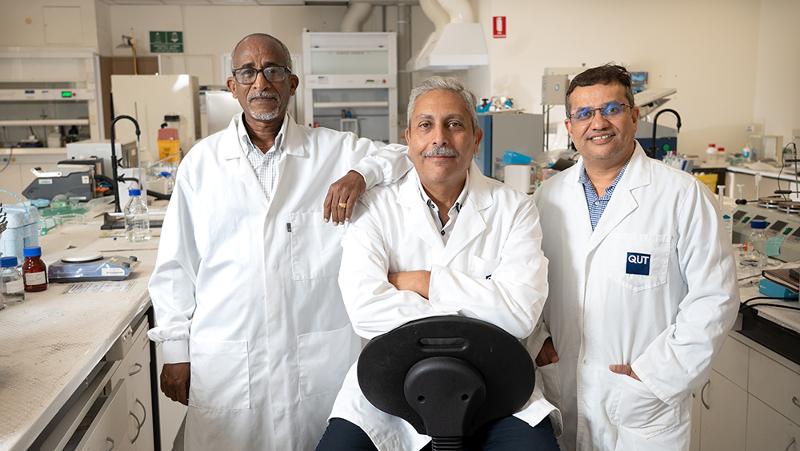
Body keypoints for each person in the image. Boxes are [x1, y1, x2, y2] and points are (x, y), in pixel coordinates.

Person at [147, 33, 410, 451]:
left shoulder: (336, 151)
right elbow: (177, 265)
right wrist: (175, 350)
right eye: (248, 72)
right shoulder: (202, 163)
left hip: (317, 352)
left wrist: (362, 175)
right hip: (230, 352)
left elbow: (405, 154)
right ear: (232, 87)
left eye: (273, 70)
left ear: (292, 83)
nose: (261, 83)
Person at [316, 76, 561, 451]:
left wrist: (424, 282)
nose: (440, 138)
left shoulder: (514, 209)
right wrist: (479, 304)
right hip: (389, 389)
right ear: (408, 140)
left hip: (497, 385)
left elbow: (520, 313)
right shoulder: (375, 208)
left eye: (455, 124)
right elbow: (365, 309)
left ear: (476, 139)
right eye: (426, 125)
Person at [531, 64, 739, 451]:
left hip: (645, 403)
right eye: (584, 113)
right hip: (564, 388)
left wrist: (657, 376)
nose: (599, 123)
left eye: (611, 108)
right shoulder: (547, 198)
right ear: (570, 125)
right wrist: (539, 340)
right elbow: (528, 284)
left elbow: (716, 298)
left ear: (634, 115)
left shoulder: (683, 196)